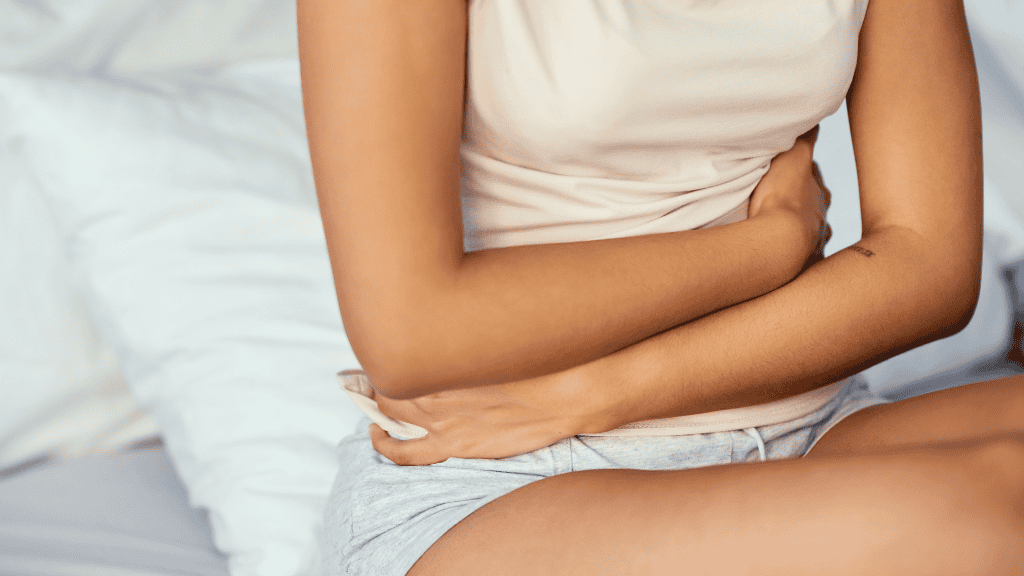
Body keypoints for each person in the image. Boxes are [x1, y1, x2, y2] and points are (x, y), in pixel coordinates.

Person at [297, 0, 1024, 574]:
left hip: (808, 422)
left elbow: (931, 267)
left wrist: (595, 391)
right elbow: (414, 334)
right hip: (505, 478)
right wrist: (766, 247)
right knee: (984, 517)